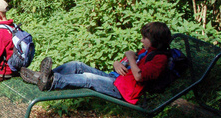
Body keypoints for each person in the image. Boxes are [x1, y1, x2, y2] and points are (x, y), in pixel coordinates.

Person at [21, 22, 172, 103]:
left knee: (89, 78)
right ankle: (42, 76)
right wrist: (116, 63)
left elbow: (139, 76)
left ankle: (50, 81)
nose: (141, 40)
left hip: (122, 90)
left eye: (145, 38)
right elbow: (125, 65)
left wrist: (131, 57)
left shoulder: (160, 59)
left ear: (155, 40)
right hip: (116, 79)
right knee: (77, 65)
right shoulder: (147, 51)